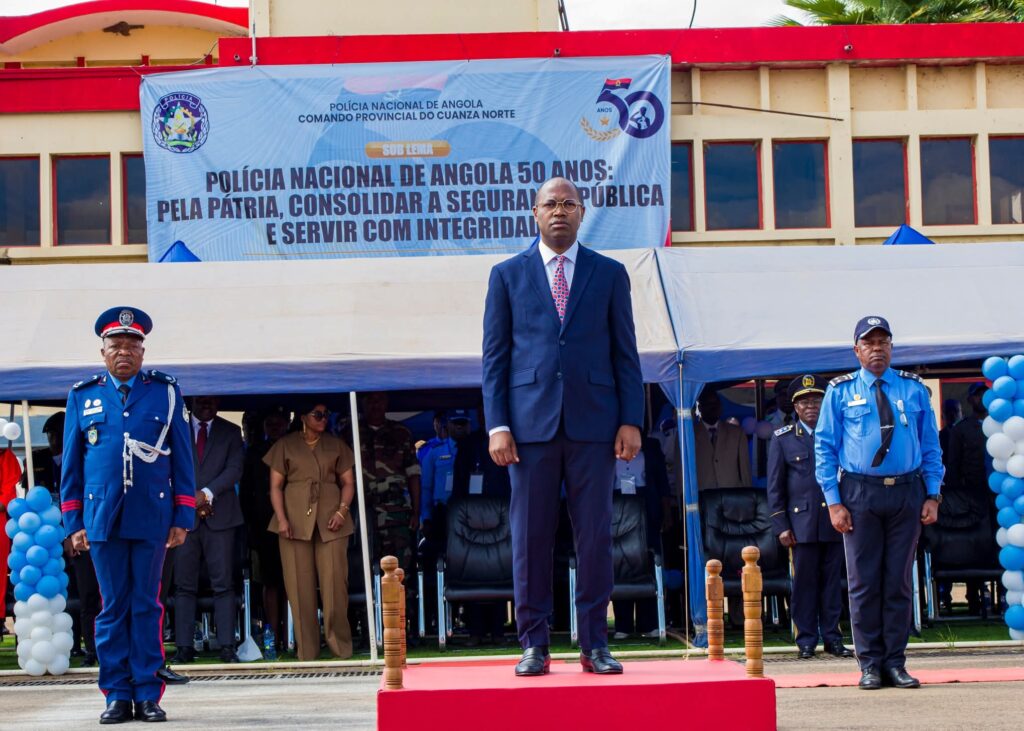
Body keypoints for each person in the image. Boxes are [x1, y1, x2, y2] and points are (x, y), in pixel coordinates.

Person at [482, 176, 644, 676]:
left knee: (594, 536)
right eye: (550, 204)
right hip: (528, 429)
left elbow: (626, 354)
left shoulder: (609, 273)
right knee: (530, 537)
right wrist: (497, 425)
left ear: (581, 212)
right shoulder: (506, 276)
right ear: (534, 213)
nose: (559, 211)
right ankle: (534, 643)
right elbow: (495, 359)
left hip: (594, 427)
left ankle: (595, 643)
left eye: (568, 204)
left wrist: (631, 420)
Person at [60, 306, 195, 724]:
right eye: (116, 345)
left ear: (143, 351)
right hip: (101, 517)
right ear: (102, 352)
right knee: (112, 606)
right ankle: (116, 694)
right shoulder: (82, 395)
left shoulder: (165, 392)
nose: (124, 352)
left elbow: (182, 459)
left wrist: (183, 516)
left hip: (152, 514)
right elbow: (71, 466)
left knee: (146, 605)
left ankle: (148, 692)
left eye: (132, 345)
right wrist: (74, 522)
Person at [815, 316, 942, 691]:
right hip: (859, 493)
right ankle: (869, 663)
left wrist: (933, 494)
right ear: (856, 350)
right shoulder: (840, 391)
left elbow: (931, 446)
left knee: (899, 581)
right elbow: (824, 449)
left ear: (892, 347)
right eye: (869, 343)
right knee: (864, 582)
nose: (877, 349)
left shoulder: (913, 389)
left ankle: (895, 663)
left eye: (883, 342)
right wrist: (834, 502)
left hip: (907, 491)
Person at [767, 375, 852, 660]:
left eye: (816, 401)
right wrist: (780, 525)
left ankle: (833, 637)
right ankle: (805, 640)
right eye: (804, 402)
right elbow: (775, 487)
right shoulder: (783, 438)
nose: (811, 406)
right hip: (800, 524)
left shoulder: (839, 435)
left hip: (834, 520)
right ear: (795, 407)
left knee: (832, 582)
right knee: (804, 583)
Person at [265, 402, 356, 661]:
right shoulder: (285, 445)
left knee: (335, 584)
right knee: (298, 587)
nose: (323, 419)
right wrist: (282, 519)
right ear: (303, 417)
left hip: (332, 520)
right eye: (318, 415)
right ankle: (307, 651)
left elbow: (348, 482)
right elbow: (275, 486)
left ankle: (341, 648)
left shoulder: (336, 444)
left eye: (326, 414)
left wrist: (342, 512)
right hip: (293, 521)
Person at [171, 396, 245, 664]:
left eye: (212, 401)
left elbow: (235, 469)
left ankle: (227, 646)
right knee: (183, 585)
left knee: (223, 584)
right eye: (202, 401)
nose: (207, 405)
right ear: (192, 401)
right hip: (183, 518)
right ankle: (184, 648)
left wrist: (206, 493)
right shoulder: (176, 428)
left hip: (221, 517)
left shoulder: (230, 431)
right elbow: (168, 467)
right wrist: (189, 497)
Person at [30, 411, 102, 667]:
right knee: (61, 595)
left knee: (89, 594)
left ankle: (94, 649)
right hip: (46, 540)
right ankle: (73, 646)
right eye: (49, 435)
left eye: (57, 434)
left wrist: (72, 533)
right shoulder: (37, 459)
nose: (53, 439)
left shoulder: (85, 457)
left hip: (81, 536)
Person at [355, 391, 420, 614]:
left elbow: (413, 474)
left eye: (379, 400)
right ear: (362, 403)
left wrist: (416, 512)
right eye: (370, 400)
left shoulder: (401, 433)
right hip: (363, 514)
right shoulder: (351, 433)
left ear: (387, 403)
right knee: (363, 571)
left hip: (396, 512)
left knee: (401, 571)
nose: (375, 405)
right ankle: (366, 625)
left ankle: (404, 622)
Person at [239, 407, 291, 651]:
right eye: (270, 422)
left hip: (295, 523)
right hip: (263, 527)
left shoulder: (295, 448)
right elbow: (246, 494)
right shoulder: (254, 453)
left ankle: (292, 634)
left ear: (287, 423)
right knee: (270, 581)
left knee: (293, 582)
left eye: (279, 421)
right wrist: (249, 526)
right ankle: (273, 637)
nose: (274, 426)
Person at [611, 432, 670, 639]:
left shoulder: (652, 445)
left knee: (648, 559)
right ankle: (623, 624)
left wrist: (666, 512)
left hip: (646, 503)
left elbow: (662, 482)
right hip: (617, 504)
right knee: (620, 560)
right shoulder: (609, 444)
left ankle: (649, 622)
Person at [940, 383, 992, 614]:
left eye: (985, 393)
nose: (982, 398)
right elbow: (953, 466)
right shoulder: (962, 430)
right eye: (977, 395)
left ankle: (1002, 599)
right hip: (973, 497)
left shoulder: (1002, 424)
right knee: (973, 544)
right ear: (970, 400)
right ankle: (973, 597)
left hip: (1001, 498)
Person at [694, 389, 752, 490]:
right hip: (702, 494)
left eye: (715, 404)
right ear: (700, 408)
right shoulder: (689, 435)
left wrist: (747, 494)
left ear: (720, 407)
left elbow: (744, 470)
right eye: (708, 404)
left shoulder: (737, 433)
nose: (712, 407)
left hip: (732, 494)